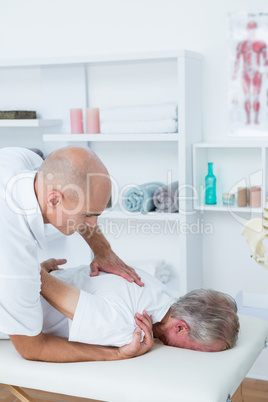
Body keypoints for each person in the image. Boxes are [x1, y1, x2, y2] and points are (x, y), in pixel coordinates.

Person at [0, 146, 146, 363]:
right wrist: (116, 353)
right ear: (54, 200)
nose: (93, 224)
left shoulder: (20, 160)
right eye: (87, 215)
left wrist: (102, 250)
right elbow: (32, 348)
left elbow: (69, 178)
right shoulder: (13, 254)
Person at [35, 258, 240, 361]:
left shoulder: (157, 288)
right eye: (197, 351)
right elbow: (36, 279)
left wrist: (44, 268)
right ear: (180, 328)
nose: (196, 357)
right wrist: (119, 354)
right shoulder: (129, 327)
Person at [232, 21, 268, 125]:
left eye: (253, 29)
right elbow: (237, 60)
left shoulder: (261, 43)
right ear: (247, 30)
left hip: (257, 73)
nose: (251, 31)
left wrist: (265, 72)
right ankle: (248, 119)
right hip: (245, 73)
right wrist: (234, 74)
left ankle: (256, 119)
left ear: (256, 30)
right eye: (250, 29)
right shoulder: (241, 44)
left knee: (256, 96)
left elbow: (266, 60)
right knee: (247, 96)